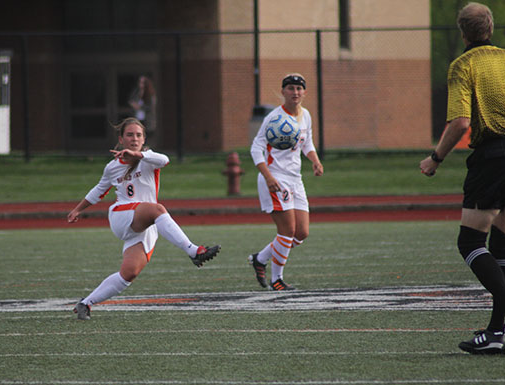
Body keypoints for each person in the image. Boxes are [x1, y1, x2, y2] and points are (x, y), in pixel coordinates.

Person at [419, 2, 505, 354]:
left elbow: (462, 123)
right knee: (503, 243)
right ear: (491, 28)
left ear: (462, 32)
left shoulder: (463, 65)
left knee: (469, 243)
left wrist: (436, 158)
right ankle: (497, 333)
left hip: (494, 154)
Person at [67, 117, 220, 320]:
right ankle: (193, 251)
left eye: (138, 135)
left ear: (144, 139)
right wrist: (78, 209)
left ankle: (85, 304)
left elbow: (164, 160)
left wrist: (139, 155)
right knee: (158, 209)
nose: (134, 138)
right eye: (129, 135)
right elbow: (99, 190)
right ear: (121, 139)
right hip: (122, 216)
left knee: (128, 274)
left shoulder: (148, 158)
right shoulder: (112, 167)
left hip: (144, 224)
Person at [248, 73, 324, 291]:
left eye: (299, 89)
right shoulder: (274, 118)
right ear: (283, 92)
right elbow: (256, 148)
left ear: (305, 92)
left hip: (295, 179)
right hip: (275, 178)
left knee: (302, 233)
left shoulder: (306, 115)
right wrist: (268, 177)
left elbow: (307, 143)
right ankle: (276, 280)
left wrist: (315, 161)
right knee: (287, 230)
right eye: (290, 88)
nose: (295, 92)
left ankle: (259, 259)